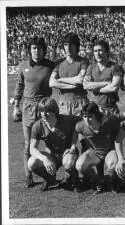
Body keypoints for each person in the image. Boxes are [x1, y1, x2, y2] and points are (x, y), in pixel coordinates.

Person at [13, 36, 55, 188]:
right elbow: (19, 86)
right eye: (34, 48)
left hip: (45, 108)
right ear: (30, 50)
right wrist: (16, 106)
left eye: (39, 48)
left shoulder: (51, 65)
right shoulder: (23, 65)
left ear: (44, 50)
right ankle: (28, 176)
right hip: (28, 108)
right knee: (28, 144)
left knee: (50, 143)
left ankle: (48, 175)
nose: (36, 51)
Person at [27, 97, 81, 191]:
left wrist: (73, 144)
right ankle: (50, 179)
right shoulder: (38, 125)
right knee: (31, 163)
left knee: (68, 162)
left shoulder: (67, 120)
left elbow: (82, 121)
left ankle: (75, 180)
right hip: (52, 155)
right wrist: (44, 159)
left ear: (55, 111)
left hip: (68, 153)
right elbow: (32, 149)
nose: (44, 114)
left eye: (47, 111)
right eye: (42, 111)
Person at [75, 102, 120, 194]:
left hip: (110, 151)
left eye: (90, 116)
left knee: (111, 163)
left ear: (97, 115)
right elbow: (77, 132)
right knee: (79, 165)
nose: (87, 120)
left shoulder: (111, 121)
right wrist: (77, 145)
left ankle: (113, 182)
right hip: (95, 152)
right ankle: (97, 181)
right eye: (84, 116)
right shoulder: (81, 126)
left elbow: (123, 117)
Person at [49, 33, 89, 116]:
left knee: (79, 128)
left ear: (76, 46)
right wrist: (71, 85)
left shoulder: (84, 61)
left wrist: (60, 80)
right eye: (66, 45)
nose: (68, 48)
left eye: (71, 45)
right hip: (63, 103)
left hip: (80, 102)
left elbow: (80, 80)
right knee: (64, 128)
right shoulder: (58, 63)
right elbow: (52, 83)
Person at [83, 40, 123, 116]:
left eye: (100, 50)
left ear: (107, 52)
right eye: (95, 51)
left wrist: (94, 88)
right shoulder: (91, 67)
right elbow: (85, 85)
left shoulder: (115, 67)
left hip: (110, 109)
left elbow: (113, 88)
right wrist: (106, 83)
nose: (97, 53)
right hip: (93, 109)